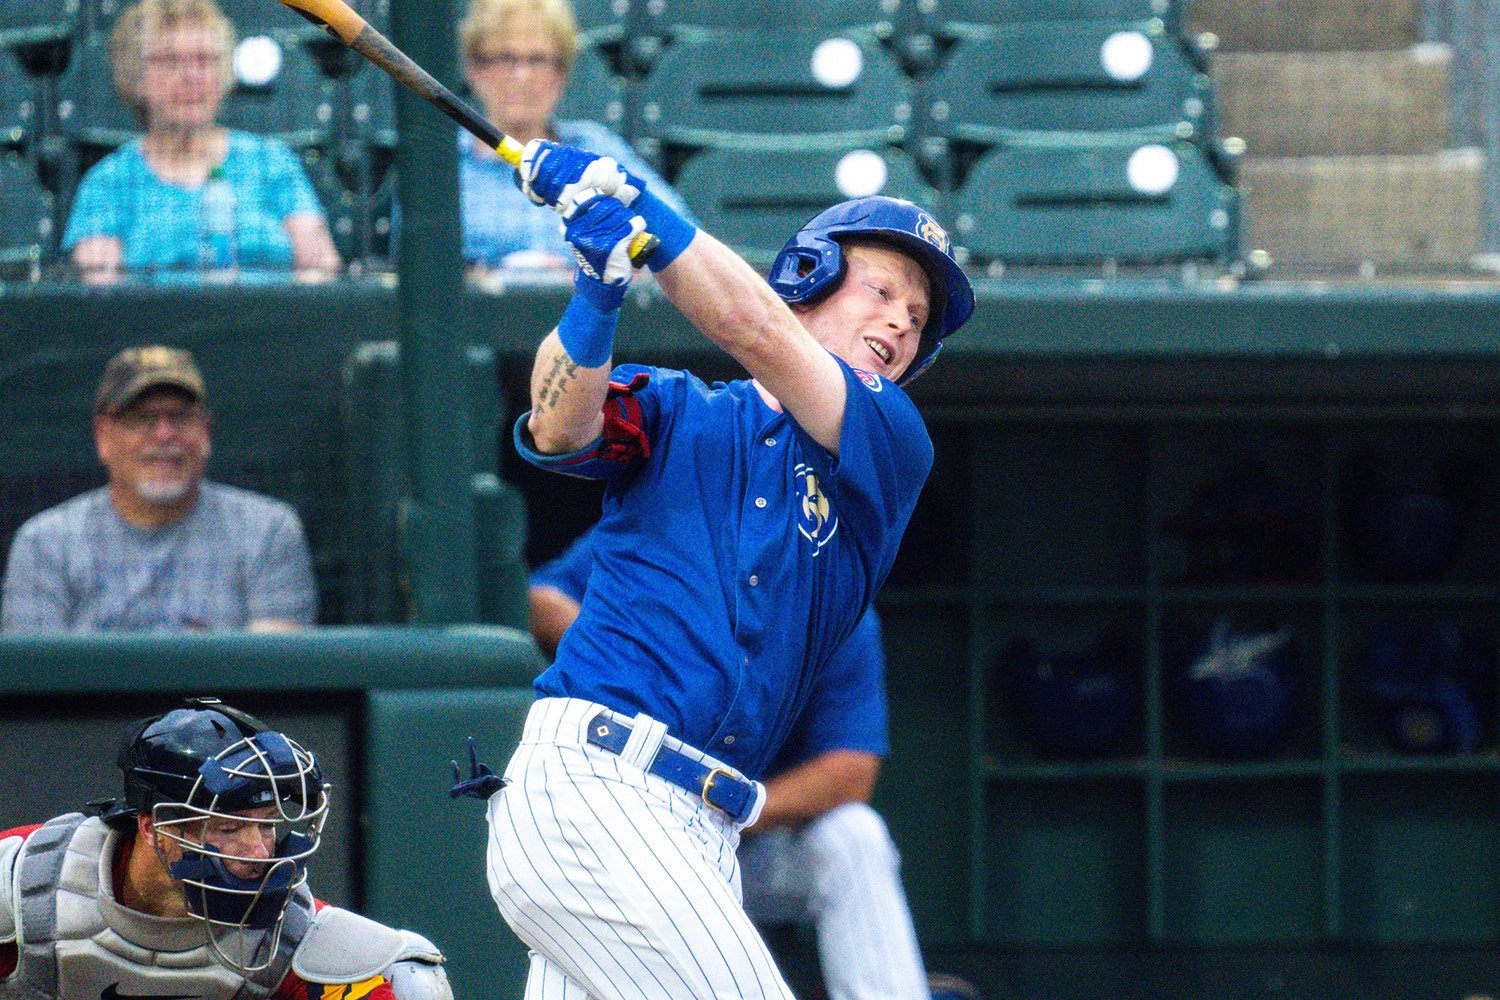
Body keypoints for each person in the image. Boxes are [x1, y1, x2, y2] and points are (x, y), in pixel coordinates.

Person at [450, 135, 974, 1000]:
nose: (899, 324)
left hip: (703, 832)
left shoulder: (890, 440)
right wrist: (596, 285)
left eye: (917, 322)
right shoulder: (678, 407)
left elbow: (754, 327)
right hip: (598, 788)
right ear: (808, 274)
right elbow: (558, 431)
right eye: (882, 292)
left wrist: (643, 215)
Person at [527, 528, 981, 1000]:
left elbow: (850, 772)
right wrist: (633, 662)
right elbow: (541, 600)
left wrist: (726, 808)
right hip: (630, 829)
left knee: (853, 834)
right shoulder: (674, 534)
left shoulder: (835, 605)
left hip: (744, 841)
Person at [0, 696, 453, 1000]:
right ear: (153, 826)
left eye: (268, 825)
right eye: (229, 827)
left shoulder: (291, 940)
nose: (259, 852)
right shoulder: (27, 885)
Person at [0, 344, 318, 632]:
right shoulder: (45, 545)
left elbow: (271, 682)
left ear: (205, 431)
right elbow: (38, 688)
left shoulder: (266, 531)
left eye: (180, 417)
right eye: (140, 419)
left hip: (219, 700)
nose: (164, 435)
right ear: (103, 437)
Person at [63, 0, 341, 284]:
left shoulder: (270, 162)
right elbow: (103, 300)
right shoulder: (110, 182)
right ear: (135, 77)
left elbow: (320, 271)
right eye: (171, 61)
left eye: (205, 60)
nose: (192, 76)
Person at [455, 0, 692, 275]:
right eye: (505, 58)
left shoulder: (596, 148)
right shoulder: (442, 164)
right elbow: (416, 267)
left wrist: (580, 273)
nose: (522, 76)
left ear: (561, 73)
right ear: (474, 69)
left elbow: (681, 236)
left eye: (538, 59)